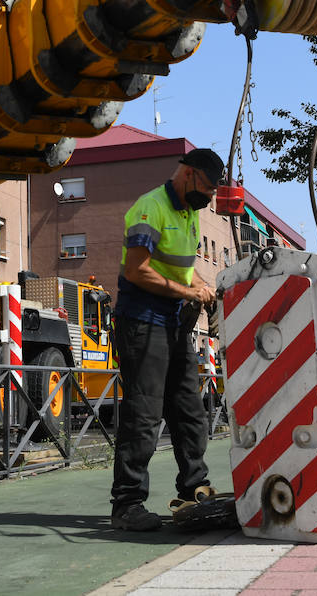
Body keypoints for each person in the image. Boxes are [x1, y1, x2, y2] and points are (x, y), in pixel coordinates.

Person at [108, 148, 222, 531]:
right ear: (188, 174)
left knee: (189, 409)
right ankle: (127, 503)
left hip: (174, 323)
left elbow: (185, 272)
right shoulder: (150, 207)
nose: (209, 198)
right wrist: (189, 293)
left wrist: (203, 288)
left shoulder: (189, 214)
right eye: (206, 188)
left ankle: (194, 488)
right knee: (144, 413)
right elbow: (137, 270)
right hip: (142, 320)